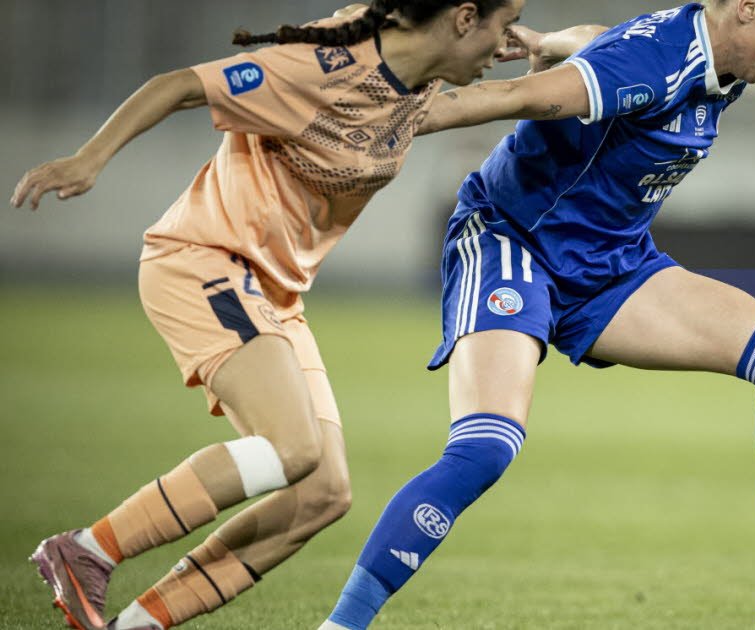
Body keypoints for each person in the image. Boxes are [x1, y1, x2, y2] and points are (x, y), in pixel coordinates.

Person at [320, 1, 755, 629]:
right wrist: (374, 116)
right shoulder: (655, 60)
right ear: (747, 10)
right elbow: (515, 97)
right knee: (485, 448)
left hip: (611, 264)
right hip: (514, 244)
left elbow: (601, 42)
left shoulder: (720, 59)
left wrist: (550, 39)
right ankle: (342, 625)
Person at [10, 1, 525, 628]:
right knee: (292, 447)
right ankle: (87, 550)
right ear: (464, 18)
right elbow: (177, 85)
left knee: (323, 494)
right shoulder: (321, 68)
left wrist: (544, 54)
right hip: (206, 260)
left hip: (275, 294)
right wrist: (89, 159)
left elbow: (479, 98)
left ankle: (134, 626)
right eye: (505, 22)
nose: (508, 40)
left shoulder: (417, 82)